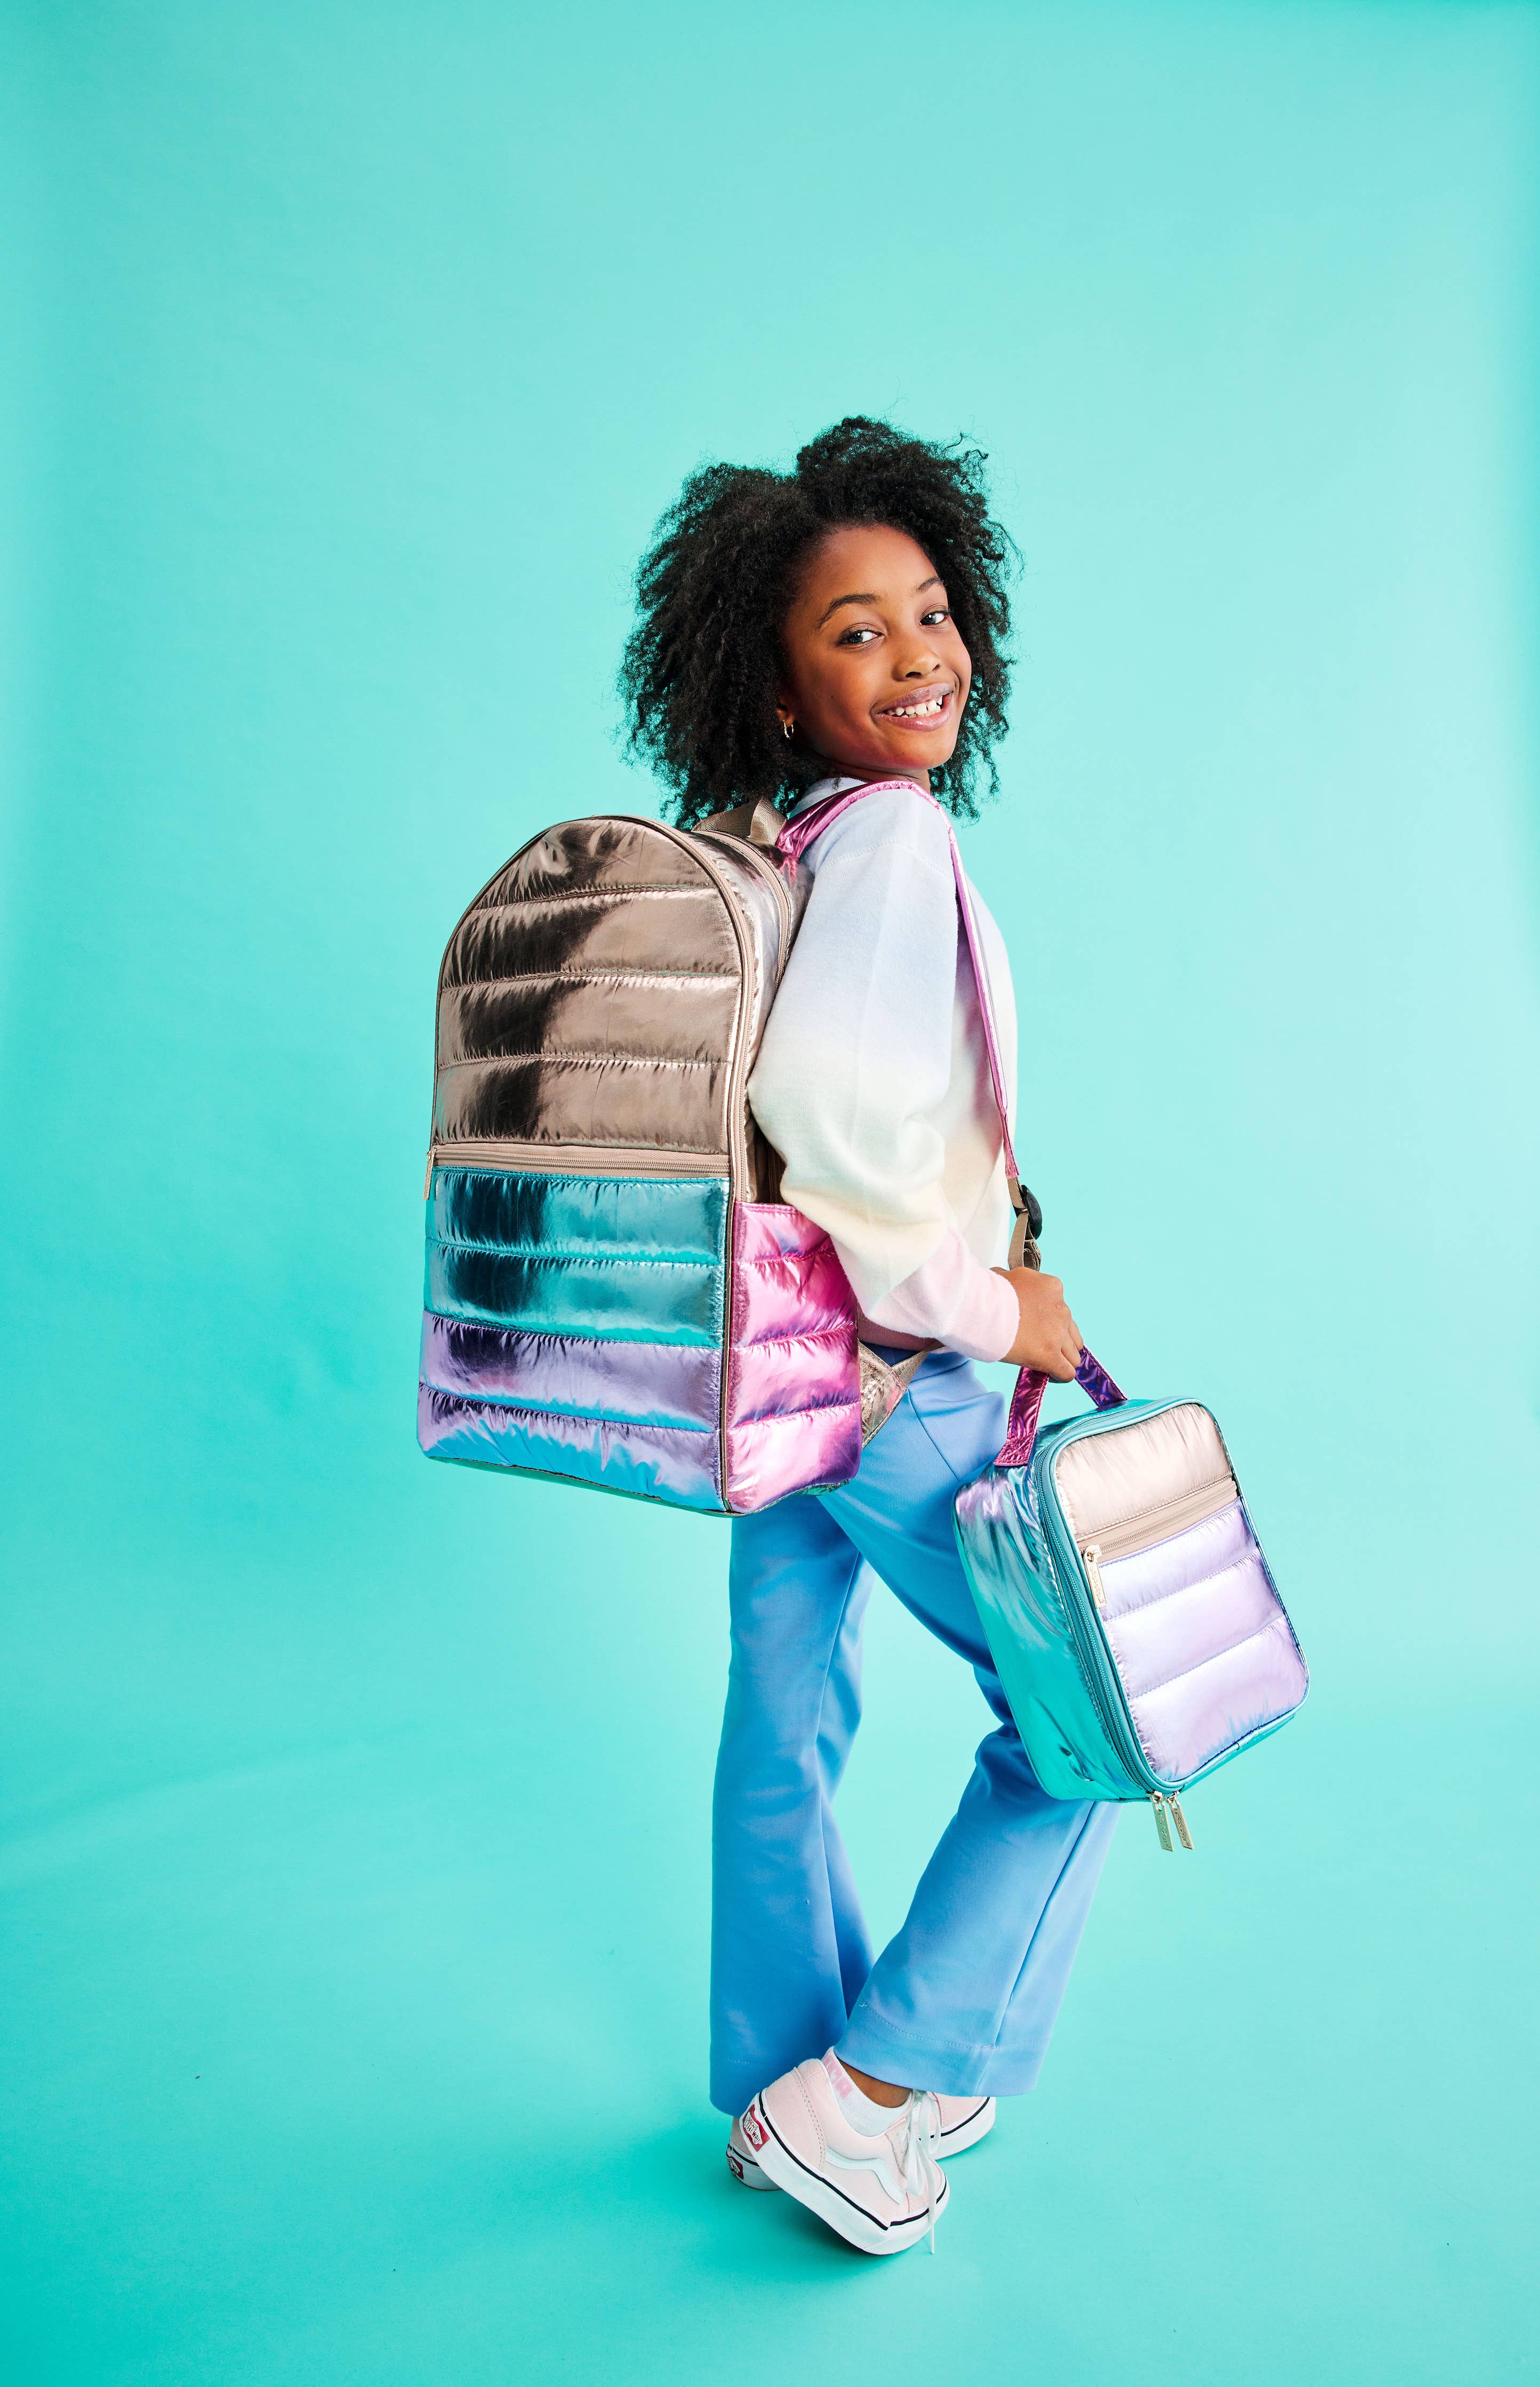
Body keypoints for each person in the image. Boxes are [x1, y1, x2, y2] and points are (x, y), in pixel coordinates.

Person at [620, 417, 1117, 2257]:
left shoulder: (776, 845)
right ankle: (886, 2082)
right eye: (853, 631)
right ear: (771, 680)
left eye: (928, 611)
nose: (916, 655)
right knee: (1095, 1716)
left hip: (776, 1386)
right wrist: (999, 1305)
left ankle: (779, 2079)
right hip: (903, 1375)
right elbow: (829, 1104)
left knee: (784, 1721)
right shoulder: (893, 839)